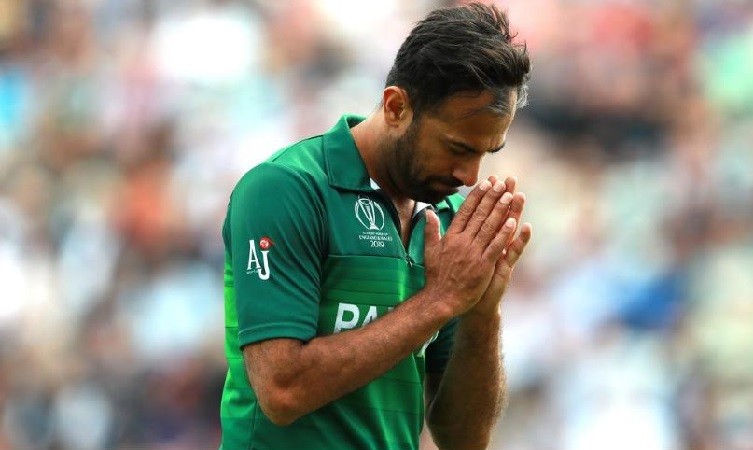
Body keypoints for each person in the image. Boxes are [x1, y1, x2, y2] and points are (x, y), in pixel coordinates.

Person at [219, 3, 532, 449]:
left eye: (487, 153)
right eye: (457, 148)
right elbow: (282, 391)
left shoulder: (451, 220)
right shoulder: (286, 189)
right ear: (396, 106)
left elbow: (463, 440)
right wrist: (439, 300)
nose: (469, 176)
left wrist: (482, 312)